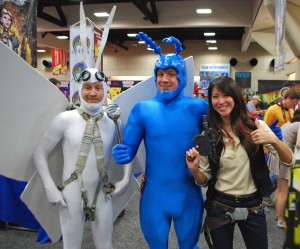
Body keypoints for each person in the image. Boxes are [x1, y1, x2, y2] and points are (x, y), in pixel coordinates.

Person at [112, 32, 208, 249]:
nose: (165, 80)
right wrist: (123, 152)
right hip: (155, 195)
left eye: (172, 74)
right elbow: (129, 148)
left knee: (190, 245)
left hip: (189, 193)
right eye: (160, 74)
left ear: (182, 77)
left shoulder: (199, 107)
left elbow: (215, 142)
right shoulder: (143, 109)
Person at [185, 76, 294, 249]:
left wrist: (274, 140)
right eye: (215, 96)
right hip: (220, 204)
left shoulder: (255, 126)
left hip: (253, 205)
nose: (220, 101)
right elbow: (203, 180)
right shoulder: (208, 135)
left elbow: (289, 160)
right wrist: (194, 169)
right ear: (210, 100)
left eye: (225, 95)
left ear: (235, 97)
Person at [33, 68, 132, 249]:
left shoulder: (114, 122)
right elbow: (40, 152)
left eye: (97, 87)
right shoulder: (64, 120)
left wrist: (126, 179)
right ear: (79, 89)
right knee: (71, 246)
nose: (93, 93)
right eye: (87, 87)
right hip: (71, 193)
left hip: (103, 192)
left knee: (105, 245)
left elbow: (127, 151)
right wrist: (49, 187)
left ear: (105, 90)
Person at [268, 109, 300, 228]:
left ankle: (278, 214)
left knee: (279, 189)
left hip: (276, 154)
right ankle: (281, 220)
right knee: (284, 190)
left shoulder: (288, 123)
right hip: (284, 157)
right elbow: (298, 144)